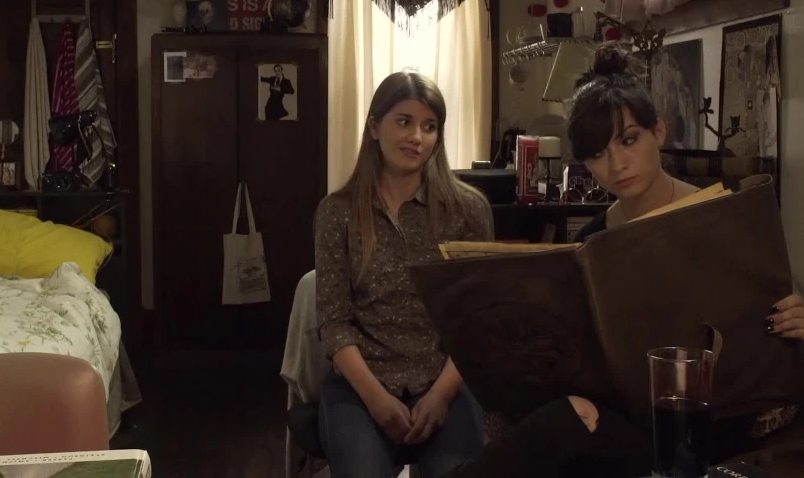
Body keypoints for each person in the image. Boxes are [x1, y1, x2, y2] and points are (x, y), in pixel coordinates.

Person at [439, 46, 804, 478]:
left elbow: (772, 316)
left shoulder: (722, 215)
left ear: (658, 132)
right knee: (563, 419)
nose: (616, 164)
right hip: (629, 422)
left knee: (566, 428)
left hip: (717, 417)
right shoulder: (593, 242)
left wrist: (796, 316)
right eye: (597, 154)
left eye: (629, 140)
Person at [314, 71, 493, 478]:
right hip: (362, 381)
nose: (417, 137)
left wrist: (442, 395)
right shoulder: (337, 212)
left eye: (429, 127)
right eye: (404, 121)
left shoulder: (468, 210)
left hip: (444, 377)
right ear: (374, 127)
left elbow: (476, 319)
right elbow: (334, 321)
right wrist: (375, 399)